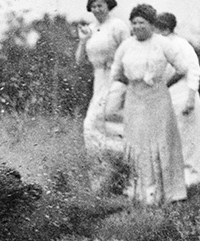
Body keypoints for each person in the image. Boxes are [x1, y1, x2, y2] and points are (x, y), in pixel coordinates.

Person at [110, 4, 188, 205]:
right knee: (137, 144)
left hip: (158, 99)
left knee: (160, 142)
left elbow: (181, 68)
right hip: (135, 100)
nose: (137, 27)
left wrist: (163, 85)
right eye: (134, 23)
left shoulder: (162, 43)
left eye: (142, 23)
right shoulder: (126, 45)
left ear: (151, 24)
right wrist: (133, 85)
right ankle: (140, 194)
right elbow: (116, 72)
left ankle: (169, 193)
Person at [75, 0, 130, 193]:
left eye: (101, 5)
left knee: (115, 125)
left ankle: (126, 178)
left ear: (108, 5)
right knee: (92, 127)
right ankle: (101, 182)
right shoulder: (90, 29)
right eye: (94, 6)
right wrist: (83, 40)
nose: (97, 9)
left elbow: (129, 53)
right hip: (99, 80)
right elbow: (79, 61)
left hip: (117, 78)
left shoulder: (118, 26)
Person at [155, 12, 200, 187]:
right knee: (173, 137)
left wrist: (191, 99)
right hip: (169, 96)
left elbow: (194, 71)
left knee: (189, 138)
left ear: (166, 28)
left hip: (185, 94)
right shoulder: (160, 45)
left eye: (159, 26)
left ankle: (193, 179)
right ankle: (174, 179)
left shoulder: (181, 44)